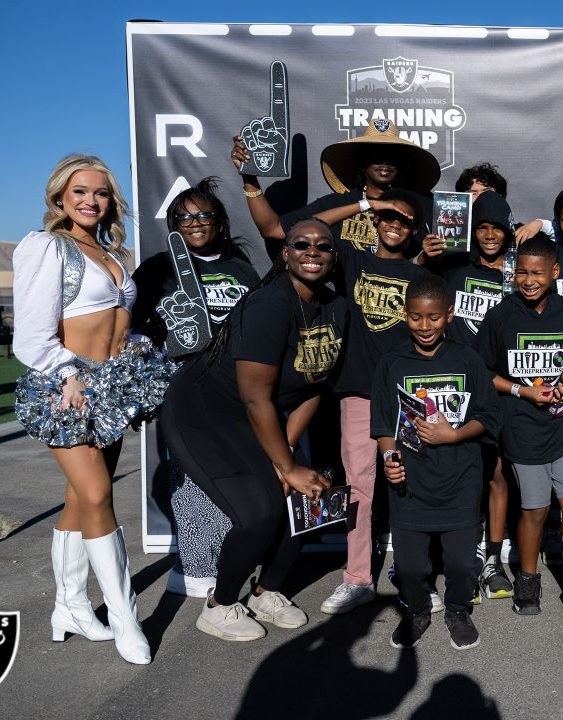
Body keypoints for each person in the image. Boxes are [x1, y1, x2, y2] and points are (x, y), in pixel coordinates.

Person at [11, 154, 172, 665]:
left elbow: (115, 322)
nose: (90, 200)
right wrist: (67, 373)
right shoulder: (46, 248)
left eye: (100, 192)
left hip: (111, 386)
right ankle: (126, 619)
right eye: (79, 191)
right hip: (67, 388)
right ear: (59, 196)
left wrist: (134, 350)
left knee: (80, 499)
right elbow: (32, 334)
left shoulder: (112, 253)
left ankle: (71, 606)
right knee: (100, 493)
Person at [160, 219, 347, 641]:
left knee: (307, 499)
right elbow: (255, 397)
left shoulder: (336, 308)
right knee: (259, 512)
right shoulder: (270, 304)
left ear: (334, 257)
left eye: (323, 246)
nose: (312, 252)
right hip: (204, 413)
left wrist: (291, 457)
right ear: (286, 253)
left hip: (256, 415)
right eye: (301, 244)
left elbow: (315, 384)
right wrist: (284, 465)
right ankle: (220, 605)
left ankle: (266, 591)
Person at [131, 177, 263, 598]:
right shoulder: (157, 268)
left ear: (220, 223)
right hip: (182, 388)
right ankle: (193, 566)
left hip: (234, 388)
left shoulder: (241, 267)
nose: (195, 222)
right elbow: (130, 329)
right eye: (184, 217)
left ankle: (229, 556)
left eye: (204, 214)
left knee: (232, 471)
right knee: (190, 475)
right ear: (173, 225)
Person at [476, 236, 563, 627]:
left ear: (555, 272)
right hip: (521, 426)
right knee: (535, 509)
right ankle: (528, 580)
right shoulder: (501, 316)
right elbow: (483, 373)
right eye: (521, 273)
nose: (528, 280)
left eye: (537, 273)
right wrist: (523, 390)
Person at [371, 274, 500, 650]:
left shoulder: (468, 359)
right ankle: (418, 609)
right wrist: (389, 456)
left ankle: (458, 610)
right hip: (410, 486)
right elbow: (382, 422)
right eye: (415, 317)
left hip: (460, 481)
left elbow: (490, 417)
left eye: (433, 317)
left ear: (450, 314)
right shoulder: (391, 363)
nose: (424, 326)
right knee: (410, 567)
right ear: (404, 315)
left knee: (461, 564)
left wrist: (454, 435)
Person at [320, 189, 433, 615]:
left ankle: (414, 575)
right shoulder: (353, 260)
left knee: (411, 487)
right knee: (359, 491)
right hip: (357, 394)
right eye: (388, 216)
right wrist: (368, 204)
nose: (394, 224)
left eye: (404, 220)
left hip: (406, 396)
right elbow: (308, 230)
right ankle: (357, 578)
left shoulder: (420, 274)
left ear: (414, 230)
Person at [422, 190, 516, 599]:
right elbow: (421, 300)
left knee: (496, 474)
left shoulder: (516, 275)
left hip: (499, 389)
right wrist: (426, 259)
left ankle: (493, 561)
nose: (489, 235)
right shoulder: (456, 266)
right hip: (454, 386)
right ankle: (458, 558)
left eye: (497, 228)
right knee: (458, 474)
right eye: (482, 227)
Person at [232, 119, 439, 254]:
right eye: (375, 154)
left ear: (403, 164)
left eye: (392, 156)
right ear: (362, 163)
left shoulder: (422, 206)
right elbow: (273, 229)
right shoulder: (339, 203)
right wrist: (249, 177)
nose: (384, 161)